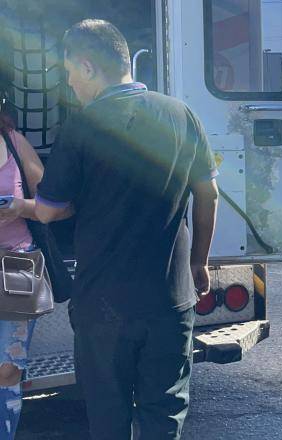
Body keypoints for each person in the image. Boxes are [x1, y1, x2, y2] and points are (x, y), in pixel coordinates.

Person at [34, 20, 219, 439]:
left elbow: (48, 211)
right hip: (170, 299)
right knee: (164, 410)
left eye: (69, 74)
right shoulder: (180, 114)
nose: (70, 85)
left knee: (107, 415)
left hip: (103, 305)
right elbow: (208, 195)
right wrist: (199, 262)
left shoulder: (82, 127)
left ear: (86, 66)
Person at [0, 110, 43, 439]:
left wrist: (19, 207)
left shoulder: (13, 141)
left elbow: (51, 204)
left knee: (9, 369)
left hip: (17, 265)